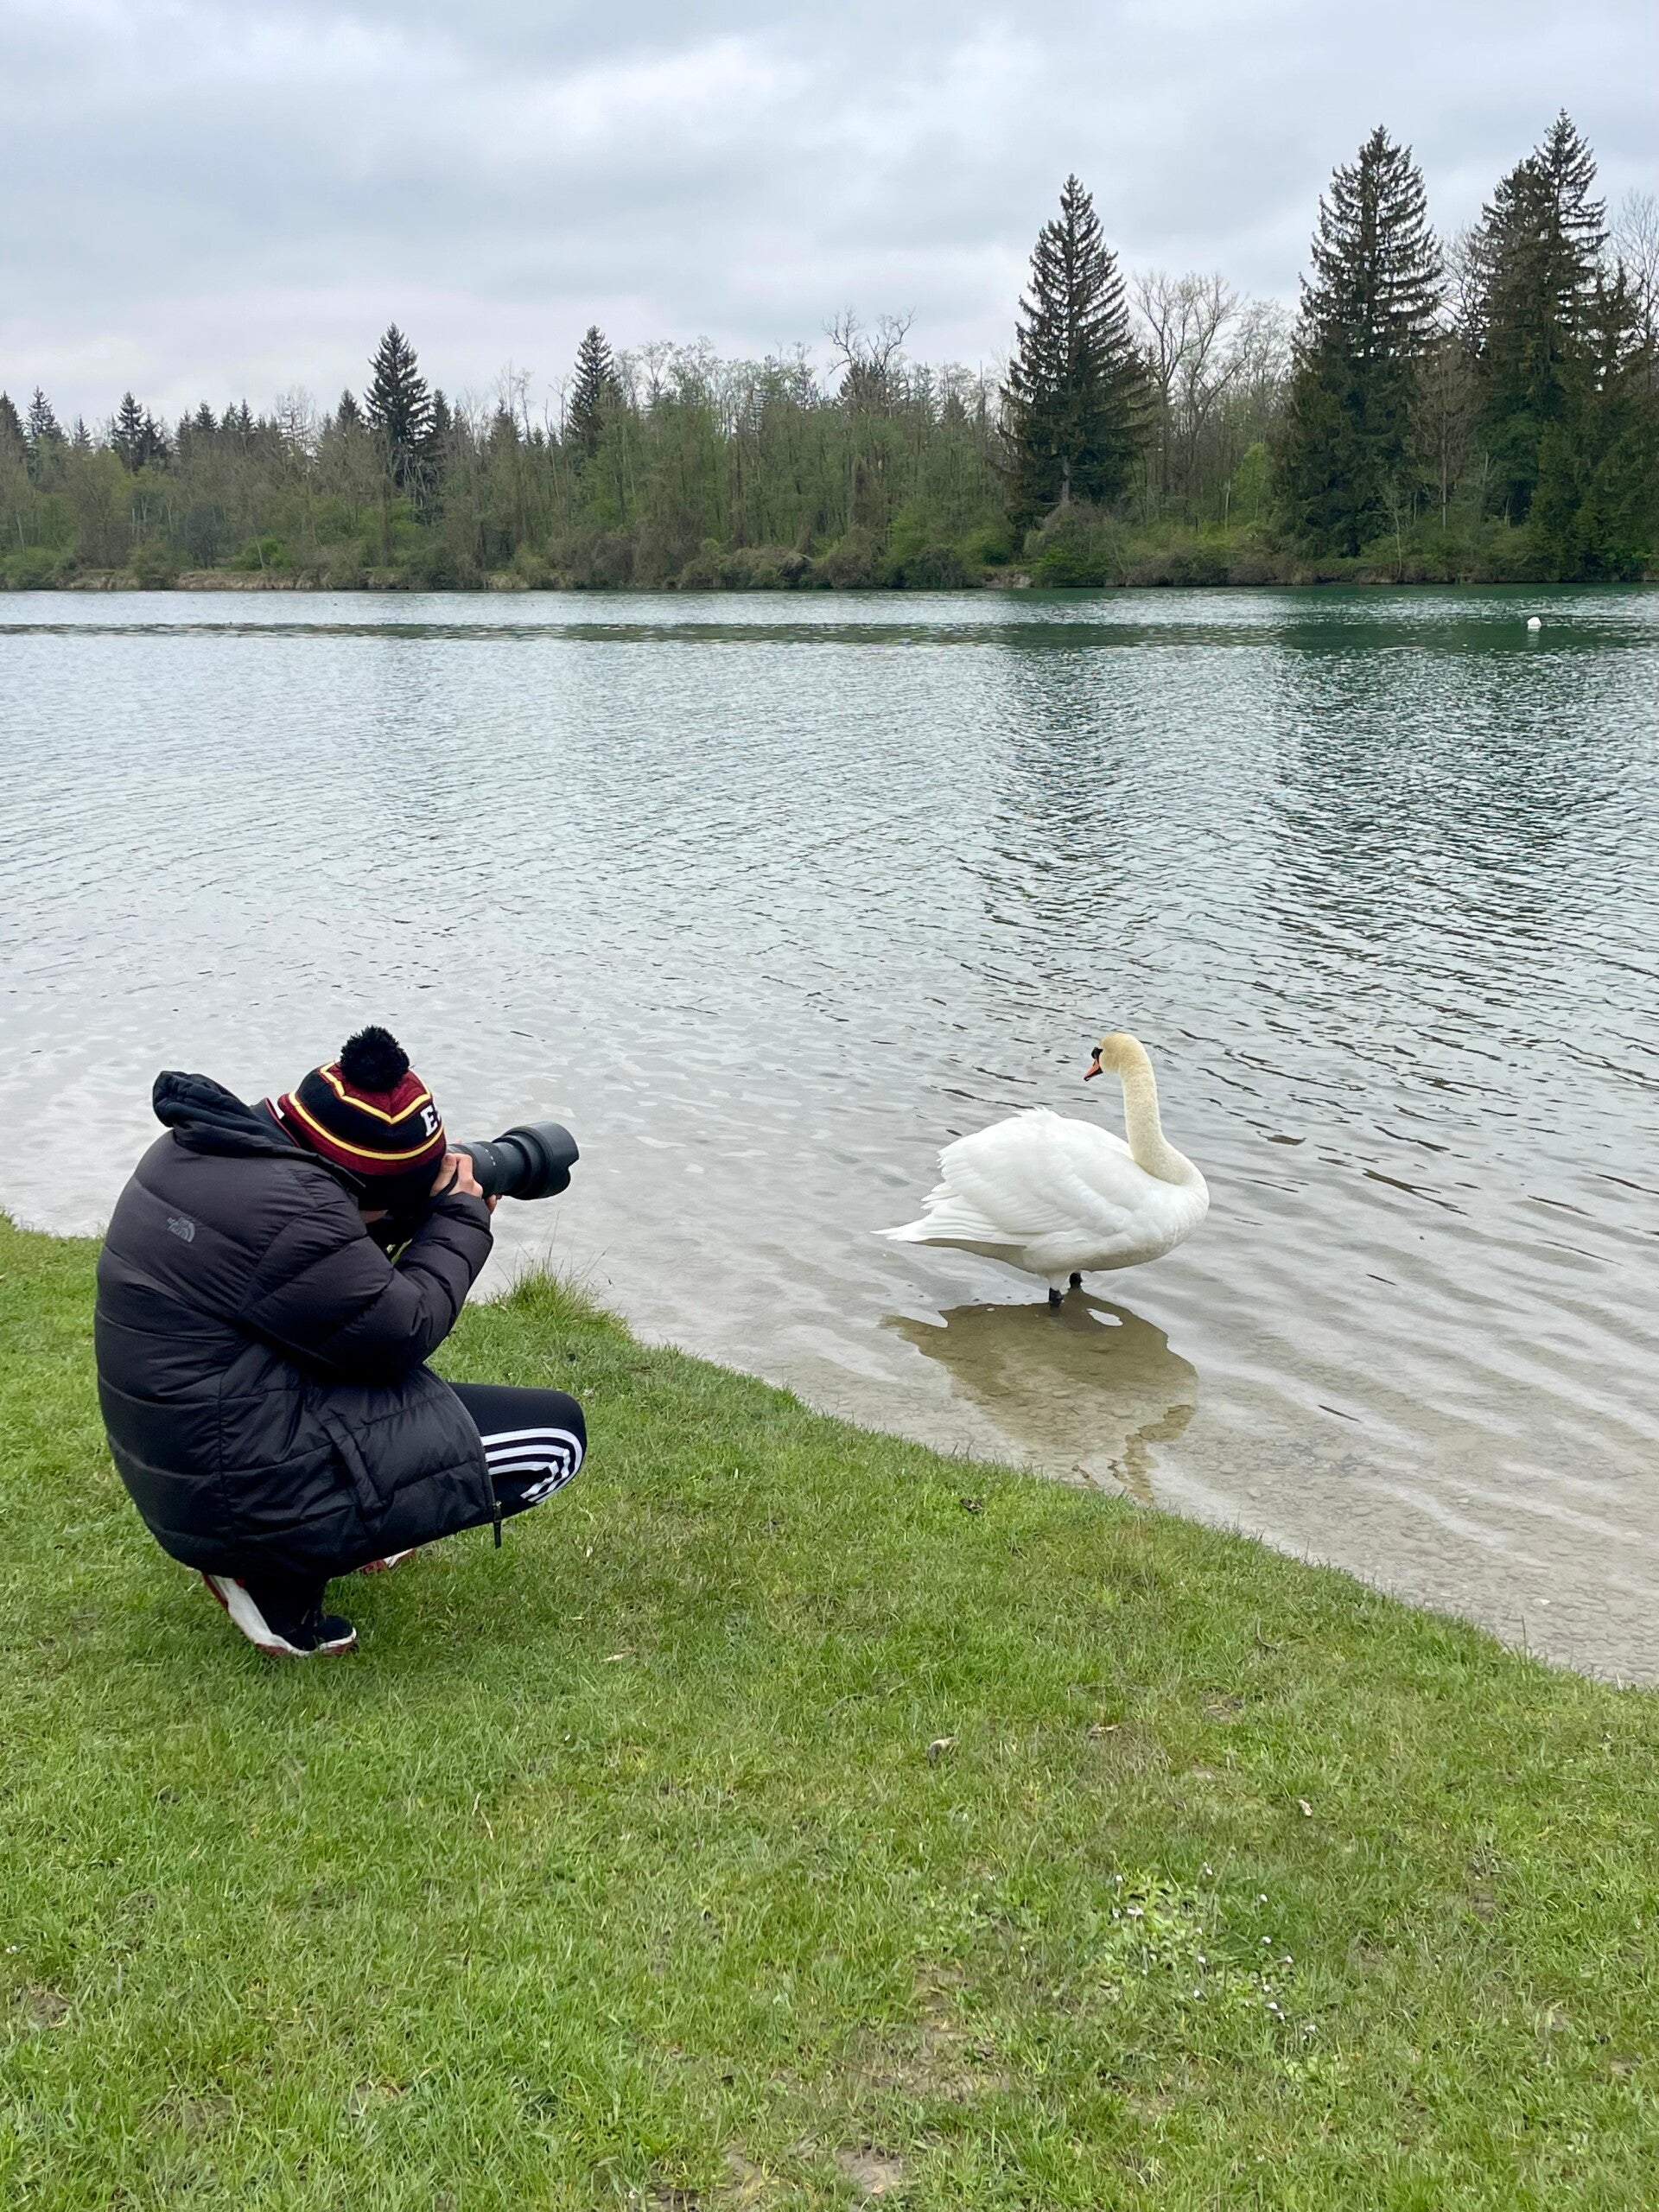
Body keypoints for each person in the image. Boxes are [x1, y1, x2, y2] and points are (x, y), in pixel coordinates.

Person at [93, 1027, 586, 1658]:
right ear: (358, 1190)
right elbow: (402, 1331)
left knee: (394, 1394)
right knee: (556, 1438)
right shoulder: (294, 1214)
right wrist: (460, 1216)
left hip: (191, 1456)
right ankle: (273, 1581)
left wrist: (398, 1212)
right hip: (231, 1490)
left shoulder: (208, 1151)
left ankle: (286, 1543)